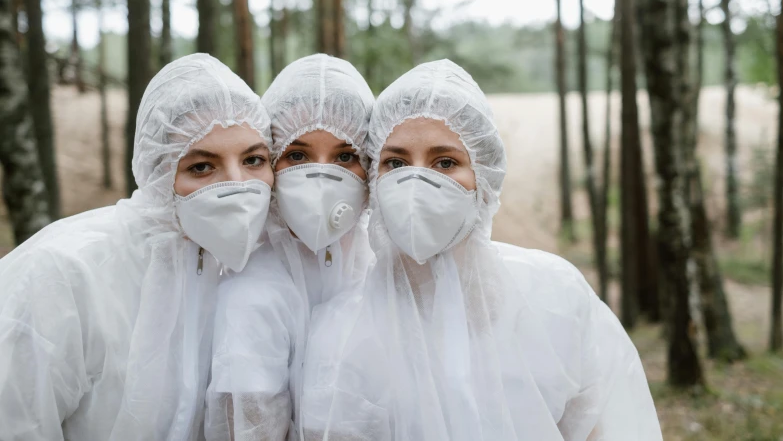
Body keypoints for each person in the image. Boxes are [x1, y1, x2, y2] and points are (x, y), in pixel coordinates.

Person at [301, 60, 663, 440]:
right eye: (396, 162)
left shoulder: (555, 298)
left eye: (445, 162)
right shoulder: (339, 333)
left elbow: (603, 426)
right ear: (374, 179)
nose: (416, 181)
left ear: (485, 178)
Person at [0, 54, 275, 440]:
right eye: (201, 167)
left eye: (254, 159)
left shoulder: (237, 272)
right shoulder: (64, 274)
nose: (237, 185)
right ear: (157, 171)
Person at [204, 54, 375, 441]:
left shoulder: (381, 267)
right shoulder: (251, 297)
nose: (320, 175)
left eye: (345, 156)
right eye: (297, 156)